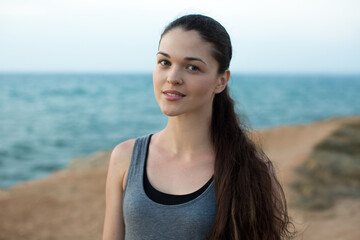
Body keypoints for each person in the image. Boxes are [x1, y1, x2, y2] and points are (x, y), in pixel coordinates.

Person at [102, 14, 295, 240]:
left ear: (221, 81)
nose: (173, 78)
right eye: (165, 62)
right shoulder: (125, 157)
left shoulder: (251, 171)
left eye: (192, 67)